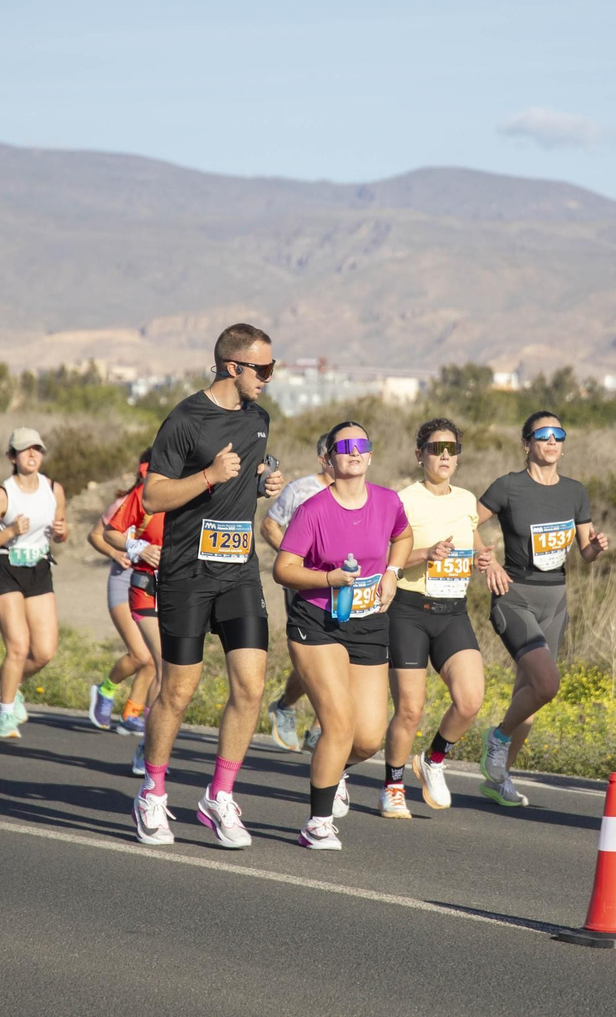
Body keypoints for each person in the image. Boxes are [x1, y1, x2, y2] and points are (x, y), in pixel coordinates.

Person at [130, 323, 285, 850]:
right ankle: (152, 792)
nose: (268, 377)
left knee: (251, 685)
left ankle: (220, 796)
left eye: (272, 368)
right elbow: (151, 497)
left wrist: (262, 484)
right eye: (261, 369)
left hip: (238, 570)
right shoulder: (184, 419)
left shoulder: (260, 418)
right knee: (177, 690)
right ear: (231, 367)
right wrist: (210, 477)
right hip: (186, 574)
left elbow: (247, 480)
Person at [273, 421, 412, 848]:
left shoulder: (388, 501)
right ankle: (317, 822)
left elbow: (403, 537)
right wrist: (330, 578)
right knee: (339, 724)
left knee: (368, 737)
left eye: (361, 445)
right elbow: (283, 569)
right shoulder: (313, 509)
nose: (353, 451)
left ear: (370, 455)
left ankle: (334, 768)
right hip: (317, 622)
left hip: (369, 621)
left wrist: (392, 572)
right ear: (329, 459)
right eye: (343, 446)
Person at [476, 410, 607, 808]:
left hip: (556, 600)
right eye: (543, 435)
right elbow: (466, 520)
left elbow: (584, 553)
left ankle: (499, 779)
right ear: (526, 442)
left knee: (530, 695)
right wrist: (488, 560)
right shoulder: (508, 487)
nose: (552, 442)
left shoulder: (574, 491)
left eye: (558, 435)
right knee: (547, 685)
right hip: (514, 596)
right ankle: (496, 739)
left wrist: (596, 548)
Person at [382, 418, 490, 816]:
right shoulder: (403, 499)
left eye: (451, 448)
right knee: (410, 710)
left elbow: (472, 537)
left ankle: (433, 759)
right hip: (409, 610)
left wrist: (483, 557)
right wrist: (424, 554)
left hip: (452, 611)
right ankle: (393, 784)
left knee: (469, 700)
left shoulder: (466, 499)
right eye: (435, 448)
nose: (444, 455)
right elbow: (384, 558)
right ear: (419, 454)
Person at [0, 427, 69, 739]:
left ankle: (8, 684)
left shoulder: (54, 489)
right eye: (25, 450)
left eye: (37, 449)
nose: (32, 455)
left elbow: (61, 531)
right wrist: (11, 530)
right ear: (12, 457)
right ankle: (5, 715)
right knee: (18, 646)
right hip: (5, 568)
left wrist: (61, 533)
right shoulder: (4, 493)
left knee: (44, 651)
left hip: (39, 568)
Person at [261, 433, 333, 752]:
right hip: (304, 584)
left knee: (341, 654)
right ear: (323, 459)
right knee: (317, 654)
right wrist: (293, 561)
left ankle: (318, 726)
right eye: (336, 452)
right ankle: (288, 707)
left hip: (343, 584)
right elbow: (269, 525)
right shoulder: (300, 489)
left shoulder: (358, 492)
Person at [88, 449, 165, 743]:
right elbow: (97, 534)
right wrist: (117, 553)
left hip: (154, 583)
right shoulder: (126, 501)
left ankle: (133, 715)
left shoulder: (170, 503)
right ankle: (106, 689)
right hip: (123, 582)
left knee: (153, 660)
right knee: (141, 654)